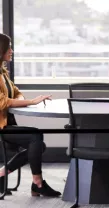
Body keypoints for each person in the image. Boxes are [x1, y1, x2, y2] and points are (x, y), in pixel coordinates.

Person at [0, 33, 61, 197]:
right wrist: (32, 102)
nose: (11, 51)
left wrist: (22, 99)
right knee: (36, 137)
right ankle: (38, 183)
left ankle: (1, 175)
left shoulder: (3, 73)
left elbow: (17, 93)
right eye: (9, 47)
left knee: (38, 144)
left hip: (7, 124)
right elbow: (2, 102)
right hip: (1, 126)